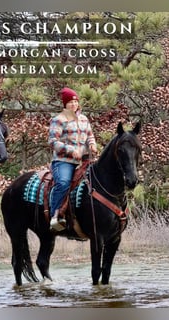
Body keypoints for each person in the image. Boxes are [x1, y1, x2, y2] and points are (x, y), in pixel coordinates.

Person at [48, 87, 97, 231]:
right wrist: (71, 150)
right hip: (64, 161)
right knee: (63, 183)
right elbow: (52, 142)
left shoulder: (84, 119)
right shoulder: (58, 120)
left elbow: (90, 136)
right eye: (70, 102)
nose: (74, 104)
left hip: (84, 160)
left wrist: (92, 145)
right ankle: (55, 216)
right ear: (65, 105)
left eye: (75, 101)